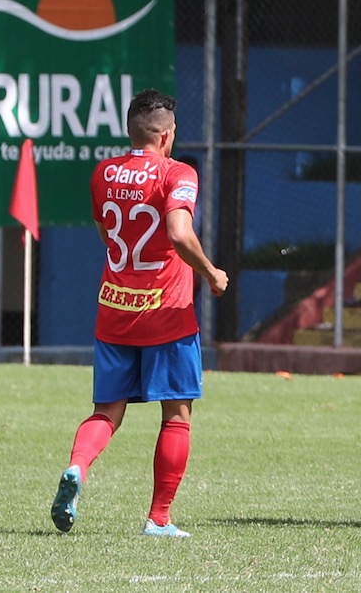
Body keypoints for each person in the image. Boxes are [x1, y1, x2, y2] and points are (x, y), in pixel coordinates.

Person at [49, 89, 229, 538]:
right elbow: (179, 232)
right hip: (166, 311)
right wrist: (210, 272)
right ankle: (159, 519)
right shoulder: (178, 172)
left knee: (107, 412)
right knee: (176, 415)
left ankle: (77, 467)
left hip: (115, 308)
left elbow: (105, 234)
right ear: (167, 135)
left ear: (130, 130)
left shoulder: (103, 172)